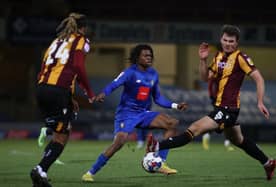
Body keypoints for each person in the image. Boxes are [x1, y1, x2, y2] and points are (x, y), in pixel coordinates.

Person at [146, 24, 276, 180]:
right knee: (238, 140)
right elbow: (204, 77)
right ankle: (268, 162)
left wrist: (260, 101)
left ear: (237, 43)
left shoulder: (241, 58)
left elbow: (259, 79)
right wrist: (202, 60)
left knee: (193, 129)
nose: (228, 43)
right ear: (221, 40)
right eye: (225, 40)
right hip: (220, 106)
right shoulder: (218, 57)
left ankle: (158, 145)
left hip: (229, 109)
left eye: (231, 41)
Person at [81, 44, 187, 182]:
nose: (149, 58)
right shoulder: (129, 72)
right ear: (137, 58)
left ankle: (160, 161)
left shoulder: (153, 74)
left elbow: (158, 98)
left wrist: (175, 105)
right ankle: (90, 172)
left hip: (143, 113)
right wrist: (103, 93)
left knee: (172, 123)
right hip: (126, 114)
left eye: (150, 55)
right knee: (119, 143)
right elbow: (114, 84)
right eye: (145, 55)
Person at [30, 12, 95, 187]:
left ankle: (42, 173)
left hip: (42, 88)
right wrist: (89, 92)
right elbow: (78, 67)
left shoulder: (55, 42)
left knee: (59, 132)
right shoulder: (82, 41)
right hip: (57, 91)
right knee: (62, 136)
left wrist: (69, 96)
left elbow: (45, 69)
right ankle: (40, 169)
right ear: (84, 28)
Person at [202, 78, 234, 151]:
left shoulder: (229, 76)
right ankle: (207, 136)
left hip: (228, 101)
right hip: (217, 100)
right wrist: (212, 97)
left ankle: (227, 143)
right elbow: (210, 85)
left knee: (226, 120)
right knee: (219, 120)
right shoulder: (217, 75)